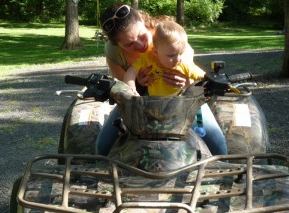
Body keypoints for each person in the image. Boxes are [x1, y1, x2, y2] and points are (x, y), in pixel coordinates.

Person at [96, 3, 227, 157]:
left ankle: (223, 177)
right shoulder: (113, 52)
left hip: (180, 99)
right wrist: (137, 83)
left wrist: (185, 82)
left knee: (216, 144)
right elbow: (123, 87)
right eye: (129, 44)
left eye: (141, 35)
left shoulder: (168, 34)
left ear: (142, 21)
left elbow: (192, 76)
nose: (140, 44)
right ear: (117, 45)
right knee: (103, 146)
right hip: (138, 101)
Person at [123, 20, 204, 96]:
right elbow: (131, 72)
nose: (178, 59)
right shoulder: (148, 58)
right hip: (152, 100)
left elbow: (203, 78)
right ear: (155, 52)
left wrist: (189, 88)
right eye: (171, 55)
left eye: (181, 53)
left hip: (176, 100)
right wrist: (131, 91)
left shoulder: (184, 64)